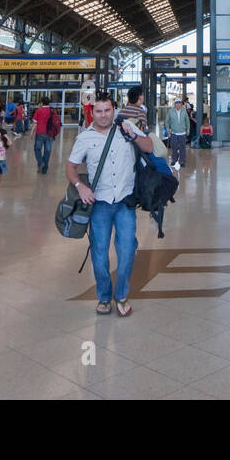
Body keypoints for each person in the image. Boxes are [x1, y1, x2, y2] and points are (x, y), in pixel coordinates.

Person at [66, 94, 155, 318]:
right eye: (99, 111)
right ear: (92, 112)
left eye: (107, 110)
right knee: (99, 254)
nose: (103, 115)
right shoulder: (85, 138)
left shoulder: (126, 127)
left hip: (125, 201)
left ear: (114, 110)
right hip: (99, 203)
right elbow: (70, 167)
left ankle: (122, 295)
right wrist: (80, 186)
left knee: (127, 251)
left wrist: (133, 135)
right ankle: (104, 297)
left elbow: (150, 147)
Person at [32, 96, 55, 175]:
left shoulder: (39, 110)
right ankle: (44, 170)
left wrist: (32, 133)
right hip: (50, 133)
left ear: (42, 102)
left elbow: (35, 122)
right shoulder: (52, 110)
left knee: (37, 149)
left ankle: (41, 162)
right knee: (47, 151)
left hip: (40, 132)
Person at [165, 98, 190, 170]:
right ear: (174, 104)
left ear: (181, 104)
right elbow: (167, 121)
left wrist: (188, 130)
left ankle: (182, 161)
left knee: (182, 147)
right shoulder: (171, 111)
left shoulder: (184, 111)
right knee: (174, 147)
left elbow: (187, 121)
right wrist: (168, 130)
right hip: (174, 132)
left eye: (179, 103)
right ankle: (174, 160)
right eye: (176, 103)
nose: (178, 104)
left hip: (182, 132)